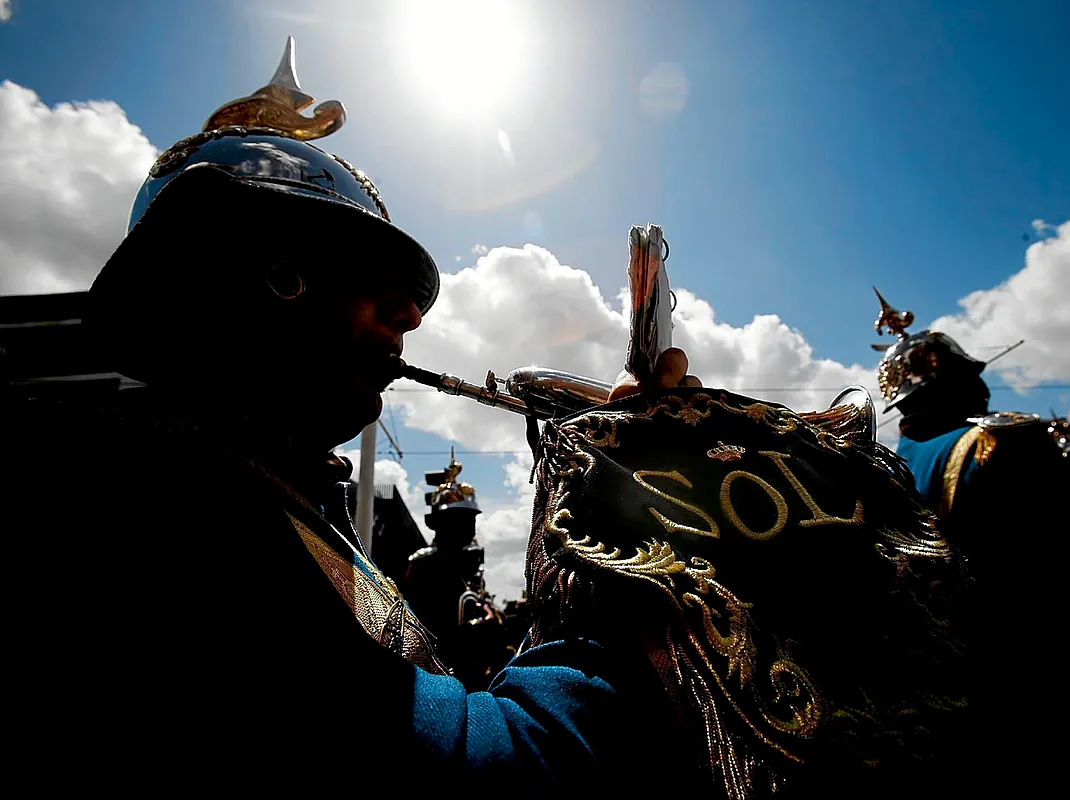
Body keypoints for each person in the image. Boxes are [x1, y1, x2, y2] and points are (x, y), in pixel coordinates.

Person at [3, 39, 703, 795]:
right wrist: (627, 561)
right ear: (263, 278)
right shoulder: (149, 499)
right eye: (374, 279)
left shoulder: (266, 490)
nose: (410, 316)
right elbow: (486, 770)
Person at [869, 287, 1070, 773]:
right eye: (972, 374)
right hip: (1053, 669)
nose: (984, 386)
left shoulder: (885, 464)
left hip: (943, 681)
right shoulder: (1001, 440)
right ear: (952, 381)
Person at [402, 450, 511, 690]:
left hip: (474, 672)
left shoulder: (469, 563)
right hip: (439, 678)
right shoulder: (423, 565)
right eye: (456, 520)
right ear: (435, 524)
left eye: (469, 519)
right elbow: (419, 632)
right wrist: (475, 629)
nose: (467, 527)